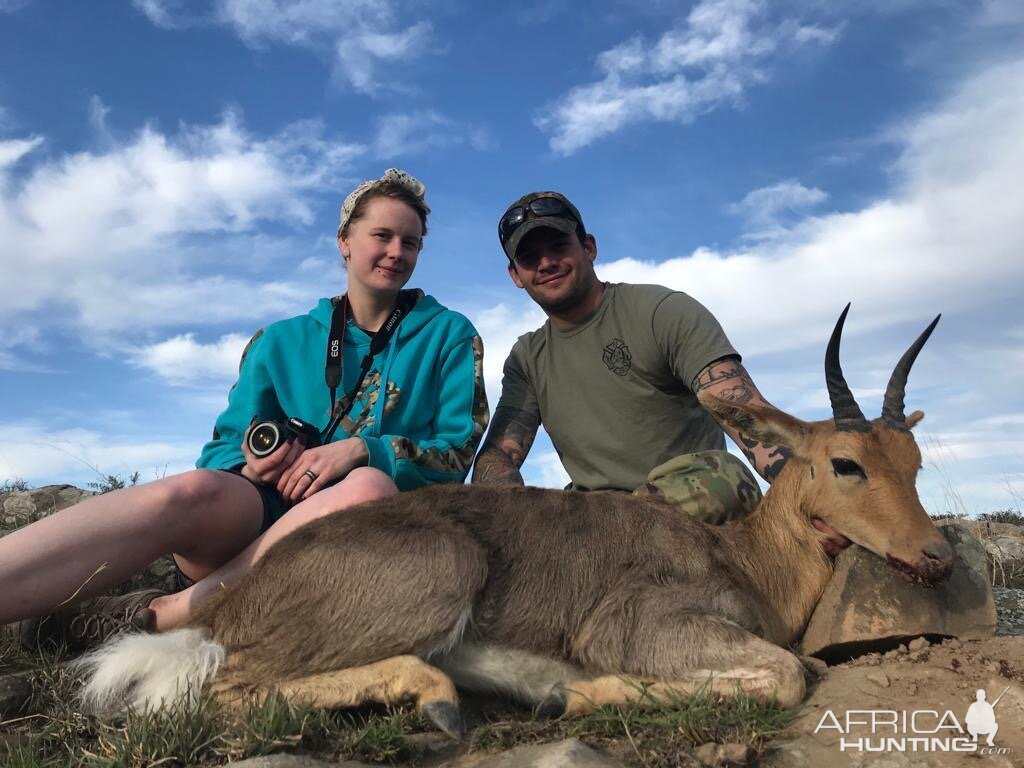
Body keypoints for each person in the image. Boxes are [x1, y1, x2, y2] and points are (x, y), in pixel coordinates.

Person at [3, 168, 488, 649]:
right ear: (344, 240)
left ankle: (169, 615)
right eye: (381, 235)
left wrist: (364, 451)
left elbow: (457, 454)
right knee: (191, 490)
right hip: (256, 519)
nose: (396, 252)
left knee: (367, 487)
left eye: (411, 242)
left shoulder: (451, 335)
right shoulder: (278, 341)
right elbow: (220, 452)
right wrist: (253, 467)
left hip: (363, 538)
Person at [471, 190, 784, 523]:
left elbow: (747, 416)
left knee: (726, 480)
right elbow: (497, 455)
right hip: (600, 522)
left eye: (559, 246)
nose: (546, 263)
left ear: (588, 248)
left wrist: (810, 494)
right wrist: (512, 511)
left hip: (686, 512)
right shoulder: (527, 359)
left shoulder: (662, 312)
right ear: (516, 276)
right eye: (530, 257)